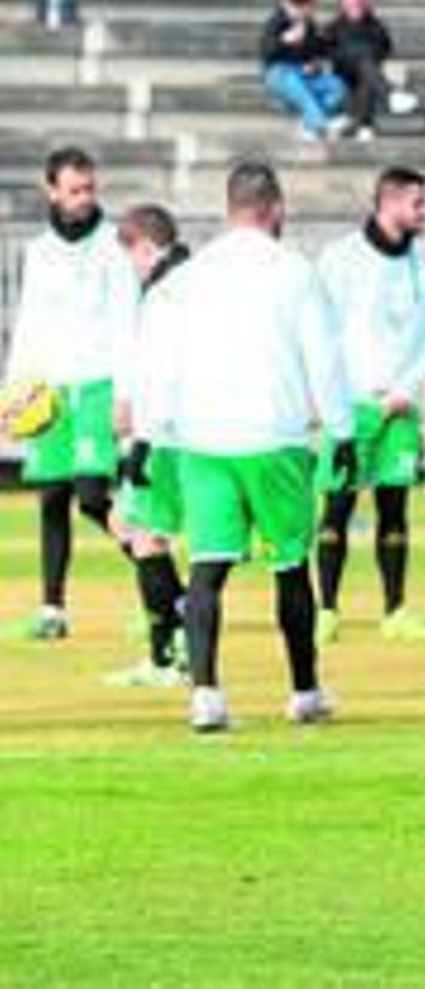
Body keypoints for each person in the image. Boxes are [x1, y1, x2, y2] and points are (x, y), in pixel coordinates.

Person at [138, 160, 355, 732]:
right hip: (275, 439)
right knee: (289, 566)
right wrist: (343, 431)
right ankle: (304, 692)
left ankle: (206, 696)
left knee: (207, 569)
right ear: (276, 208)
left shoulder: (187, 279)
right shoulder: (296, 272)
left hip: (201, 439)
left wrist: (147, 435)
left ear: (228, 209)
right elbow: (326, 359)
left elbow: (157, 359)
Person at [1, 146, 140, 642]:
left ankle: (163, 582)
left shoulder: (114, 245)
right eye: (74, 189)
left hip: (98, 384)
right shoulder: (38, 251)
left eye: (89, 189)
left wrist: (127, 393)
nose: (84, 198)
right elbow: (29, 323)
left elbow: (128, 322)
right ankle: (52, 610)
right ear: (51, 190)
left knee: (90, 497)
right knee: (52, 498)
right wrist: (12, 391)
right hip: (50, 389)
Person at [313, 166, 425, 646]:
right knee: (337, 507)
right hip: (352, 405)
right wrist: (337, 398)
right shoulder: (340, 259)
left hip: (400, 409)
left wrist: (406, 389)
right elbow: (322, 334)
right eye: (418, 203)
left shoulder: (423, 269)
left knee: (395, 506)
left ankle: (395, 609)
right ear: (388, 204)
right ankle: (325, 608)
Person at [104, 204, 192, 688]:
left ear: (144, 246)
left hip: (162, 434)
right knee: (125, 522)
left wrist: (139, 434)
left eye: (130, 256)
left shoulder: (165, 291)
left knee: (144, 535)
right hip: (183, 430)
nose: (130, 268)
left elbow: (161, 368)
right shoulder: (190, 279)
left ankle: (169, 653)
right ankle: (178, 633)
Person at [324, 0, 417, 142]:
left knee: (367, 74)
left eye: (359, 3)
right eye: (351, 3)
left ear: (366, 4)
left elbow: (385, 49)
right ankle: (387, 98)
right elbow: (328, 52)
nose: (355, 6)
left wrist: (364, 55)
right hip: (344, 75)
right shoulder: (333, 27)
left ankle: (364, 126)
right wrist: (354, 54)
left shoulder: (376, 25)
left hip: (368, 73)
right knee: (366, 64)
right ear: (343, 4)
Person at [261, 0, 349, 141]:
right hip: (279, 73)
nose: (303, 10)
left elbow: (318, 51)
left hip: (304, 73)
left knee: (337, 85)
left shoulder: (310, 25)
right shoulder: (275, 23)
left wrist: (315, 64)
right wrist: (283, 41)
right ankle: (320, 125)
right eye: (299, 6)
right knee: (296, 84)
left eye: (308, 6)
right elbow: (267, 54)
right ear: (286, 5)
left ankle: (309, 125)